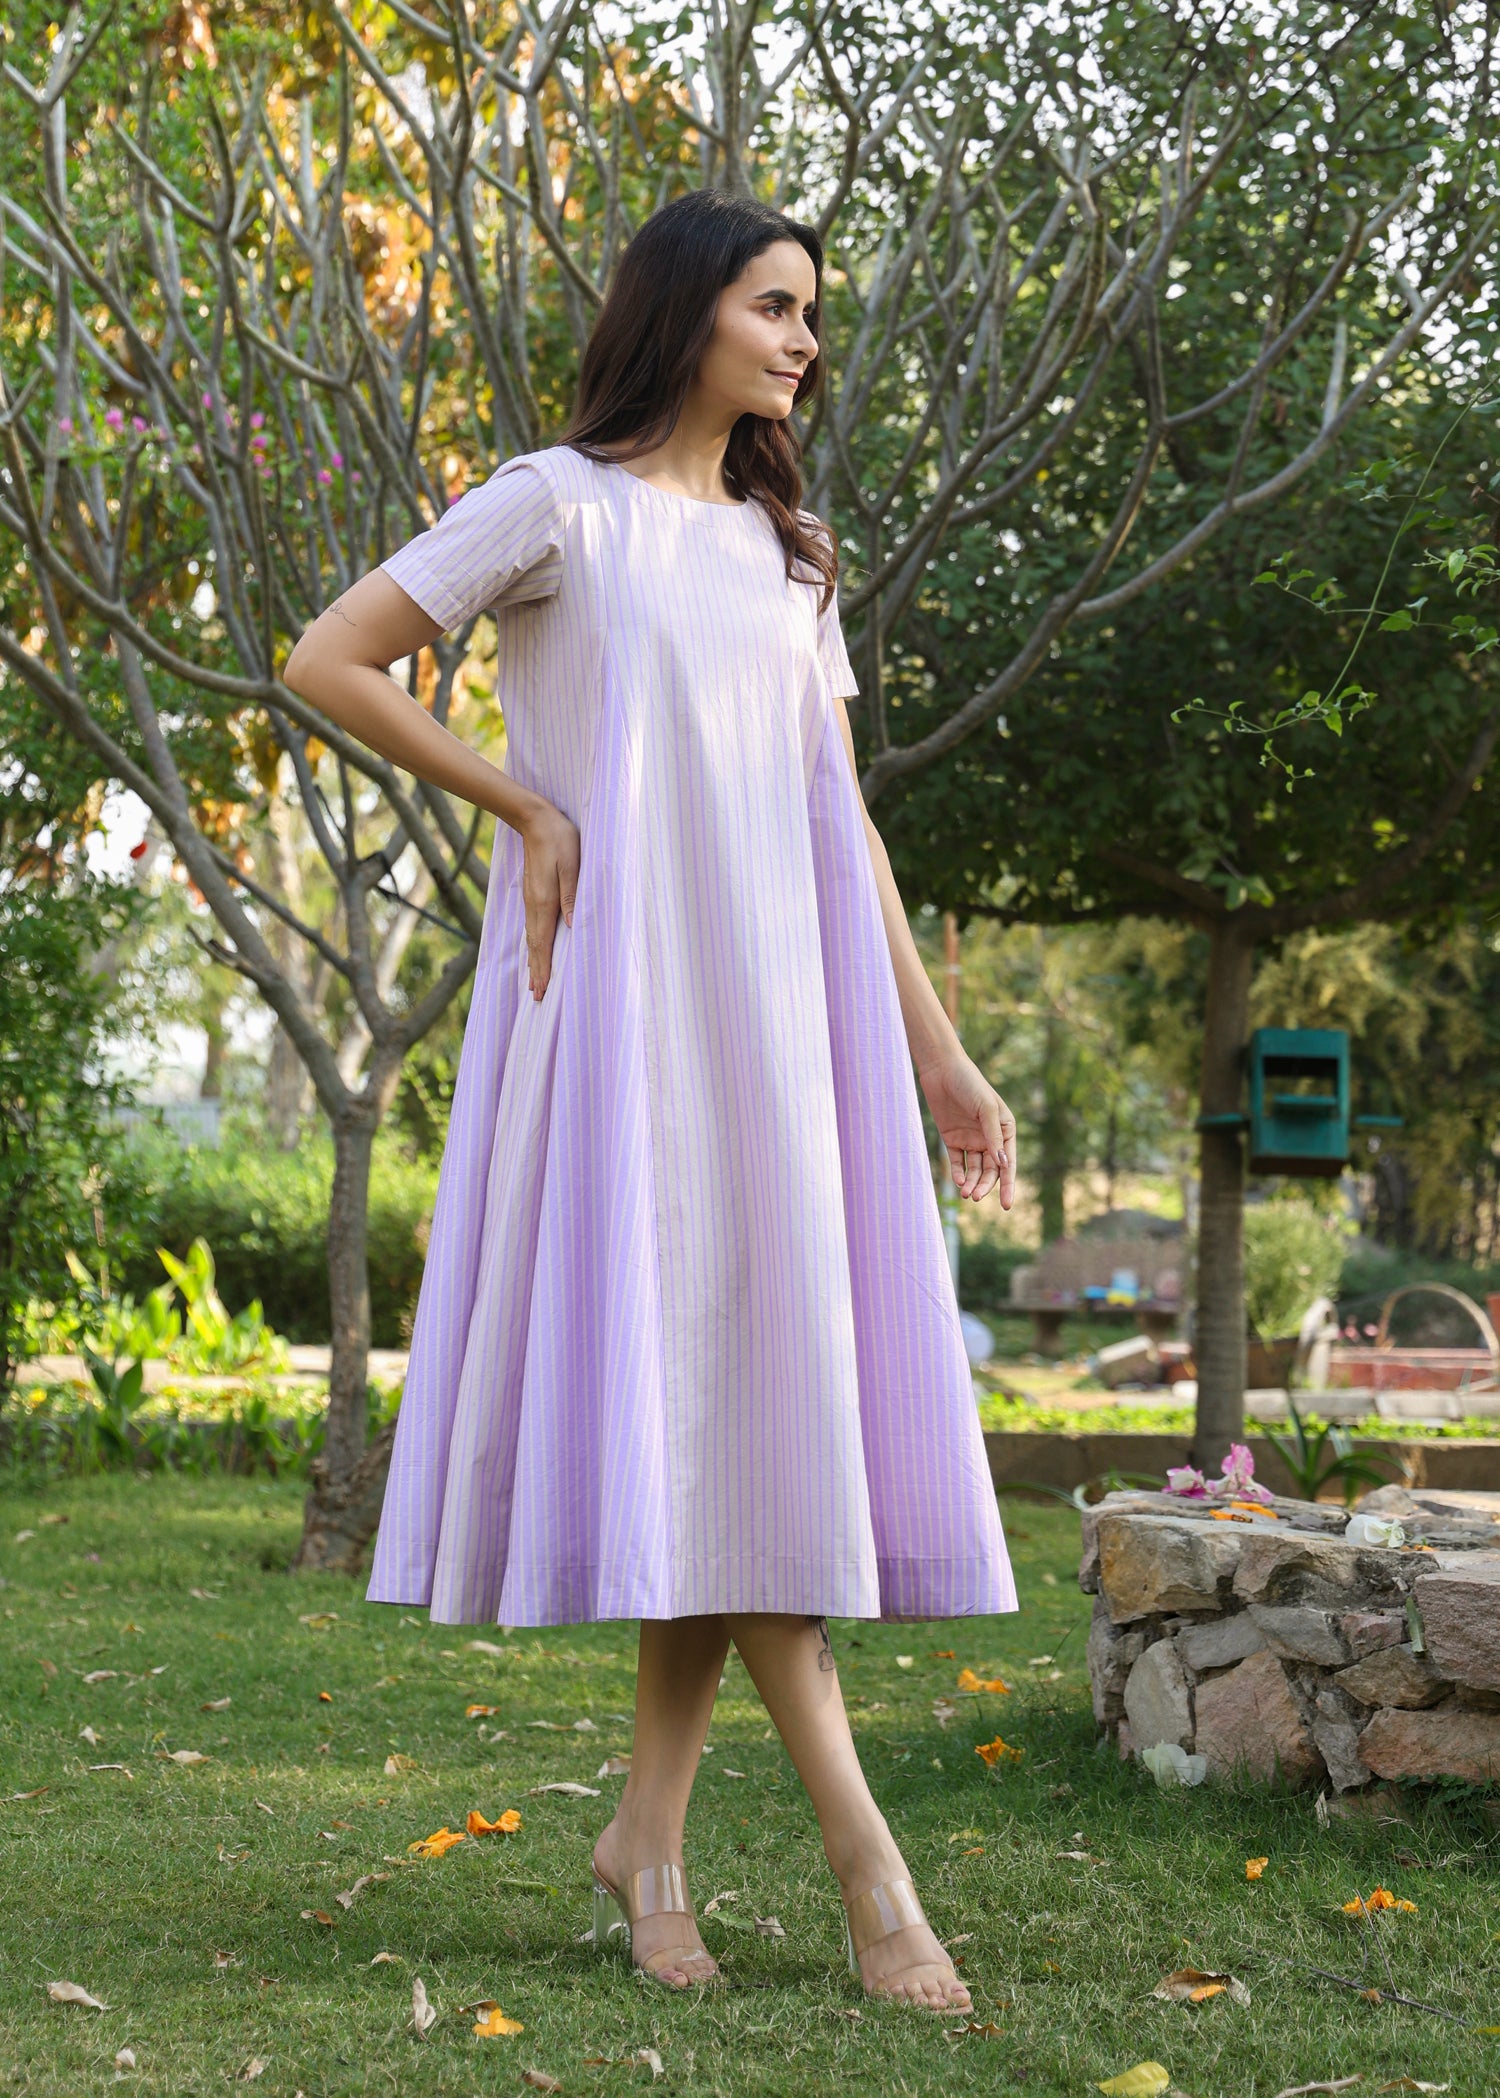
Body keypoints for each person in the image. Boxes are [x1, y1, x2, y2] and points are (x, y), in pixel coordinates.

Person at [285, 187, 1018, 2012]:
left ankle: (651, 1844)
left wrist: (937, 1049)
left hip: (782, 1021)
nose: (804, 341)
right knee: (723, 1412)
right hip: (623, 1017)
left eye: (812, 312)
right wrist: (524, 803)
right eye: (775, 305)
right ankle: (873, 1870)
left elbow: (841, 816)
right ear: (687, 311)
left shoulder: (791, 555)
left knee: (733, 1422)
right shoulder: (556, 507)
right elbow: (328, 657)